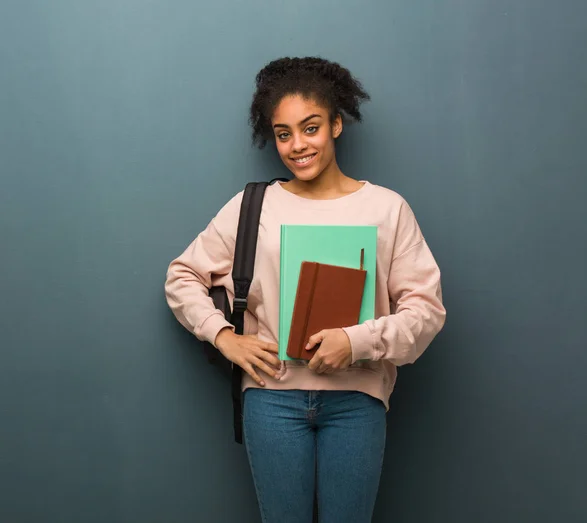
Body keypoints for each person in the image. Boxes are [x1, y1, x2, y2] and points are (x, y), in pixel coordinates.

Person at [165, 56, 446, 523]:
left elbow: (426, 310)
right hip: (271, 396)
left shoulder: (387, 208)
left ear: (337, 124)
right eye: (283, 134)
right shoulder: (254, 205)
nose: (297, 145)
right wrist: (224, 336)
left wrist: (355, 342)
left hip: (357, 400)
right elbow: (182, 276)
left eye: (310, 127)